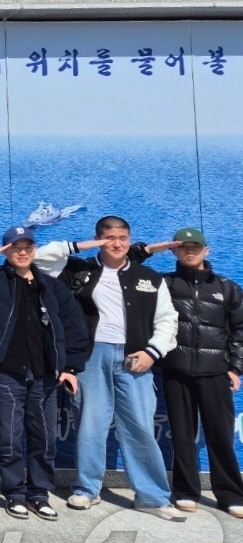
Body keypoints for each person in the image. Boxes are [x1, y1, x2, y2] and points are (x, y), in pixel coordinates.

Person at [35, 216, 185, 520]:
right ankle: (87, 489)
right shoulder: (77, 270)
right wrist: (77, 246)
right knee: (90, 424)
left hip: (136, 357)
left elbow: (168, 320)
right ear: (98, 239)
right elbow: (38, 258)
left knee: (140, 427)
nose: (116, 244)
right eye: (109, 238)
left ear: (130, 240)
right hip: (91, 357)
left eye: (122, 238)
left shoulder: (149, 278)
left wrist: (153, 352)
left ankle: (152, 497)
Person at [0, 226, 88, 520]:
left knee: (45, 440)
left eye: (27, 247)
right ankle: (15, 493)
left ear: (34, 250)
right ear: (5, 250)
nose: (22, 252)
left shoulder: (51, 286)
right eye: (15, 247)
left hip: (46, 376)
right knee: (9, 439)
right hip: (6, 374)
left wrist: (71, 368)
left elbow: (74, 326)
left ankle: (39, 494)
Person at [131, 228, 243, 517]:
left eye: (195, 247)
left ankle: (231, 494)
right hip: (176, 370)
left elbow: (240, 331)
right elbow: (128, 263)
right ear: (174, 250)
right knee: (182, 436)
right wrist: (152, 248)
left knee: (220, 436)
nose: (189, 251)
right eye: (183, 247)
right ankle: (185, 492)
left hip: (216, 372)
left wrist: (235, 368)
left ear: (207, 250)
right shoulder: (163, 283)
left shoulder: (227, 287)